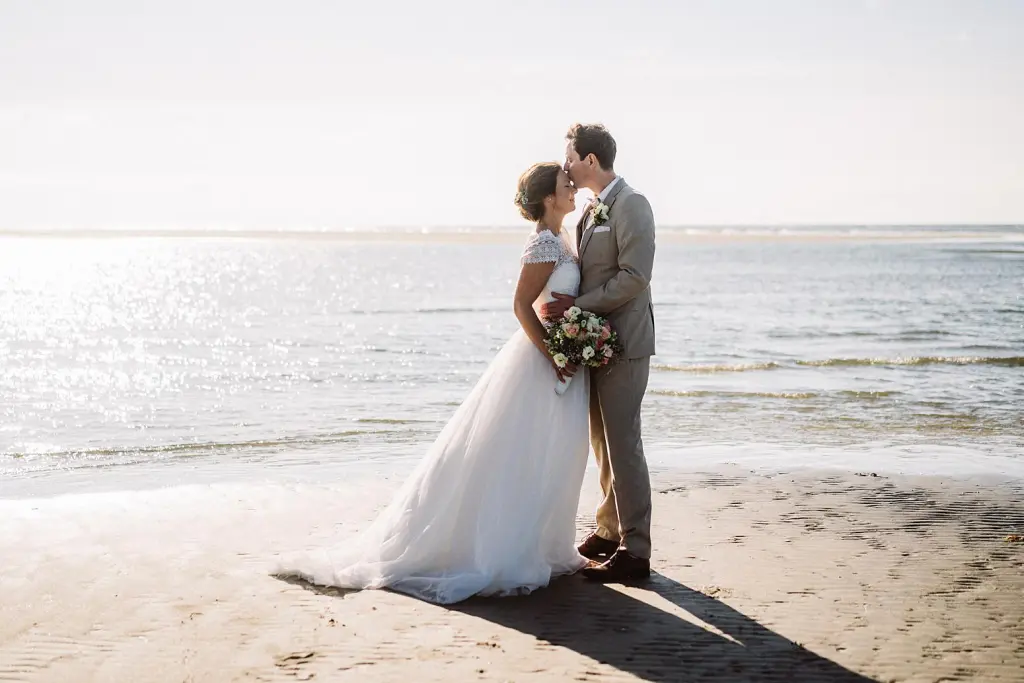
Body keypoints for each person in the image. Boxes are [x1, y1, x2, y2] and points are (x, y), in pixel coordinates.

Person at [274, 162, 592, 604]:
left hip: (562, 356)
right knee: (521, 454)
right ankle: (502, 550)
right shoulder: (543, 243)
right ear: (547, 198)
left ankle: (544, 545)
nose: (572, 188)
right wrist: (553, 354)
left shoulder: (564, 237)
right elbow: (522, 306)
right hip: (541, 361)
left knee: (550, 453)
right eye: (565, 184)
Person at [542, 123, 657, 583]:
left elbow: (635, 276)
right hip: (594, 342)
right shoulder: (591, 209)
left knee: (624, 444)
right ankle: (609, 531)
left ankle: (636, 549)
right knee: (602, 443)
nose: (566, 166)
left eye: (570, 157)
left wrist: (578, 307)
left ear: (590, 159)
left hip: (625, 342)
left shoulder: (632, 204)